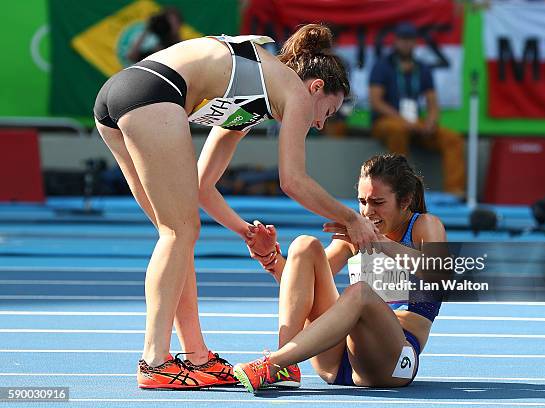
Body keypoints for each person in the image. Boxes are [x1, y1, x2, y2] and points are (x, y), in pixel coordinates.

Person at [93, 24, 379, 389]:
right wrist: (351, 218)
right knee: (179, 232)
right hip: (152, 91)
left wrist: (244, 230)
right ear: (316, 88)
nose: (321, 122)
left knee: (178, 238)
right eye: (329, 110)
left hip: (120, 94)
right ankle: (154, 360)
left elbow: (202, 185)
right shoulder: (293, 91)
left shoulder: (253, 99)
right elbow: (292, 181)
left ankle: (196, 356)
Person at [233, 153, 446, 392]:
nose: (367, 212)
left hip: (393, 361)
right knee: (304, 246)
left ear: (405, 201)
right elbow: (301, 290)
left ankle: (273, 363)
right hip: (336, 359)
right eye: (362, 202)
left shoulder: (425, 226)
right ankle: (284, 367)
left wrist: (379, 243)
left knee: (360, 293)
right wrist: (270, 258)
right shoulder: (355, 237)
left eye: (377, 202)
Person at [369, 22, 466, 196]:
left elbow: (432, 103)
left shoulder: (422, 68)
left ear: (415, 43)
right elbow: (376, 102)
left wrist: (431, 121)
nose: (406, 44)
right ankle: (400, 190)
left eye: (410, 40)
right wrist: (404, 120)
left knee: (452, 138)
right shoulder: (383, 65)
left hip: (414, 122)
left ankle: (455, 192)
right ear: (395, 41)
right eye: (403, 39)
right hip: (387, 122)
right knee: (398, 130)